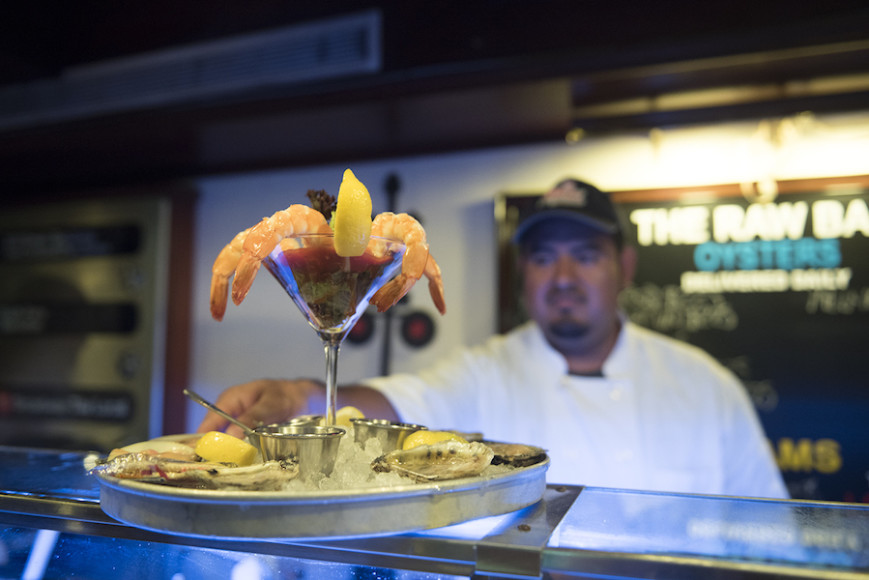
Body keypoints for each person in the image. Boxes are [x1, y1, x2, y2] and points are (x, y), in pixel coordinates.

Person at [198, 178, 788, 499]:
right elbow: (396, 403)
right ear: (522, 273)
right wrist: (297, 394)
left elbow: (769, 539)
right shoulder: (488, 369)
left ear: (625, 268)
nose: (563, 278)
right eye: (543, 258)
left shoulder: (708, 386)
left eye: (585, 256)